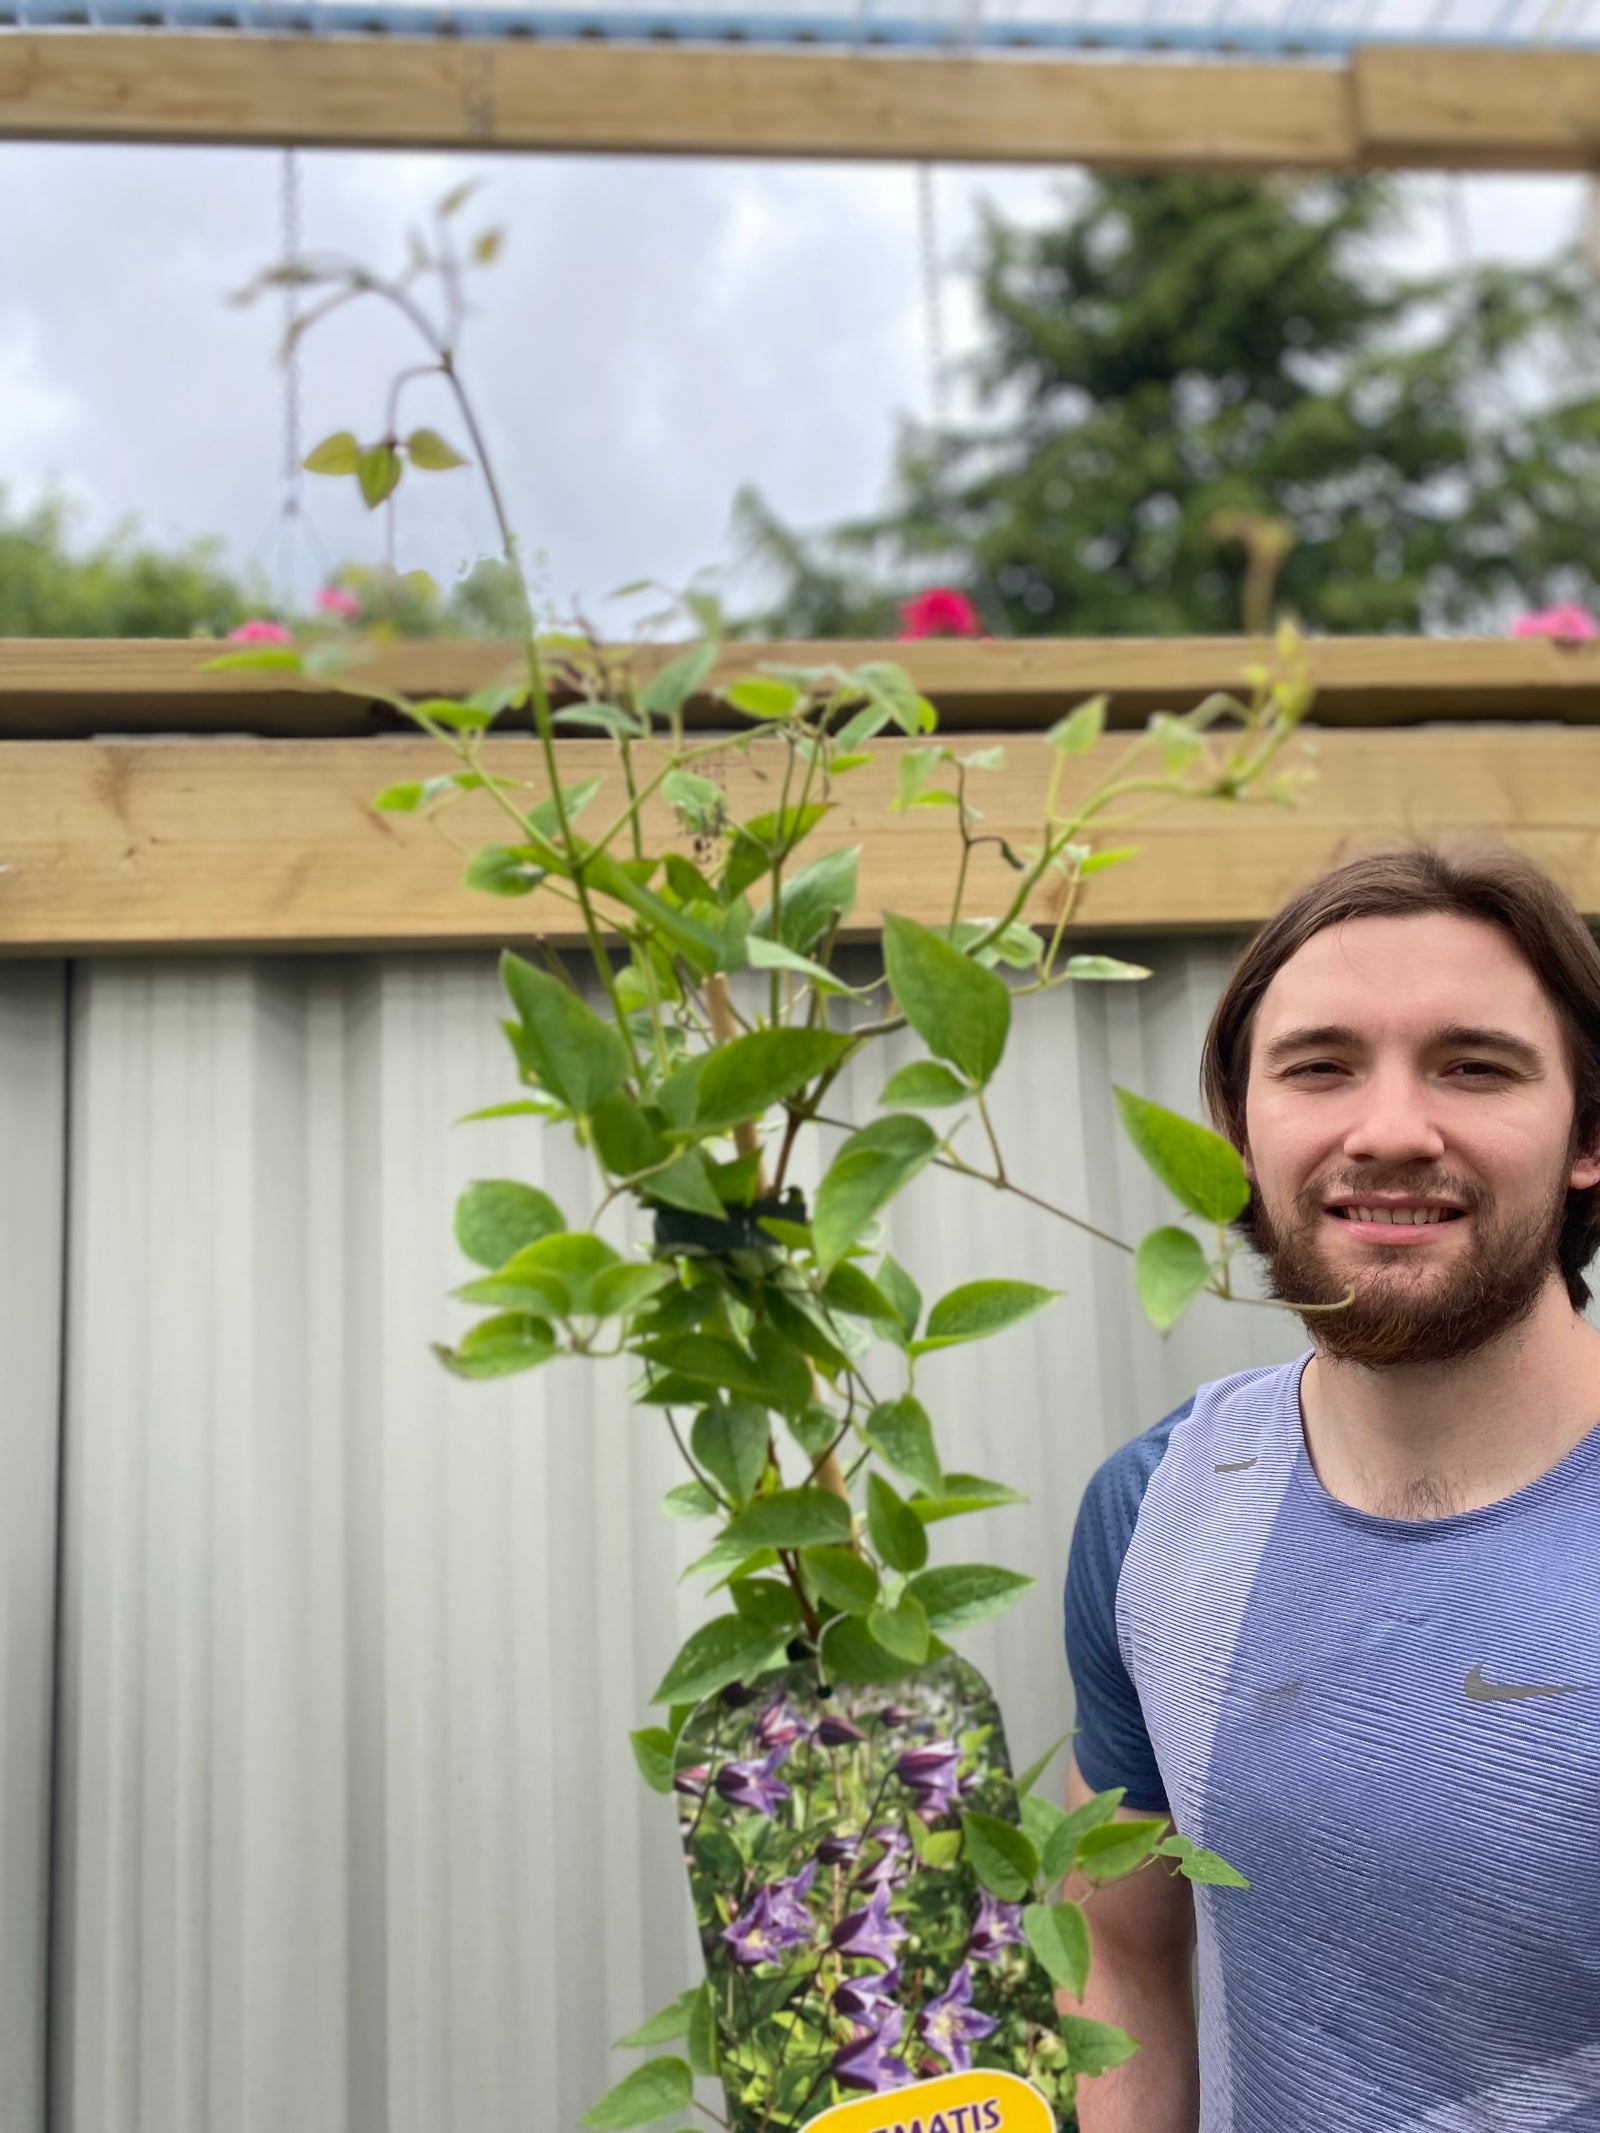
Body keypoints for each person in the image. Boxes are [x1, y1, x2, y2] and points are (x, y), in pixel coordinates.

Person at [1060, 846, 1600, 2133]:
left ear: (1590, 1136)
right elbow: (1123, 1955)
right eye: (1319, 1066)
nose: (1392, 1129)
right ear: (1239, 1133)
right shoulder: (1151, 1514)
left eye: (1473, 1065)